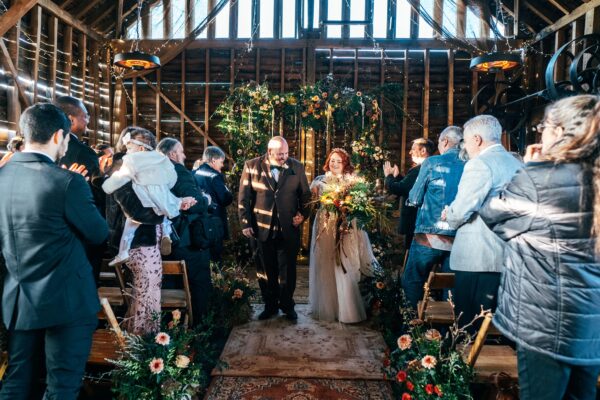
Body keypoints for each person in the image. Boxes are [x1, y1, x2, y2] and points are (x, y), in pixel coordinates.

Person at [479, 95, 600, 400]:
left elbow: (493, 213)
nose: (539, 133)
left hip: (546, 322)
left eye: (543, 126)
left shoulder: (540, 179)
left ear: (559, 133)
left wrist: (531, 170)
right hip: (592, 326)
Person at [0, 103, 108, 399]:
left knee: (16, 380)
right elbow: (99, 234)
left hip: (19, 298)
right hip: (66, 300)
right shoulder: (68, 182)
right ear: (60, 135)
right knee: (61, 386)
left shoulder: (2, 177)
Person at [441, 115, 522, 327]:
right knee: (495, 328)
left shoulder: (480, 164)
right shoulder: (517, 163)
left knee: (468, 327)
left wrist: (449, 214)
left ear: (477, 139)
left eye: (466, 141)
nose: (465, 147)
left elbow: (460, 211)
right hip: (509, 257)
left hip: (478, 258)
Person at [108, 128, 186, 334]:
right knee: (147, 293)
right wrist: (168, 209)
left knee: (149, 290)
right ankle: (145, 344)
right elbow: (136, 212)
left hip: (149, 241)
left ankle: (134, 340)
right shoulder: (123, 171)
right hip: (138, 242)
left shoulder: (142, 169)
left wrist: (172, 204)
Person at [238, 136, 311, 320]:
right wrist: (245, 222)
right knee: (266, 269)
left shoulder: (297, 166)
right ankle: (270, 306)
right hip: (261, 227)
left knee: (288, 270)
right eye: (280, 154)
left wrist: (302, 215)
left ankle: (287, 305)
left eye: (286, 153)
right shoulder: (252, 165)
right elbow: (244, 197)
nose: (283, 157)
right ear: (269, 152)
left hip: (288, 227)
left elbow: (306, 196)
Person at [102, 131, 195, 266]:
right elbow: (171, 177)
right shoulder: (160, 158)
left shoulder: (131, 160)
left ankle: (123, 252)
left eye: (129, 148)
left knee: (130, 226)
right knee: (164, 212)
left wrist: (107, 185)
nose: (127, 152)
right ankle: (166, 234)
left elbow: (121, 177)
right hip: (159, 194)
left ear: (140, 148)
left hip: (143, 196)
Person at [309, 148, 380, 323]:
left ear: (345, 164)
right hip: (325, 225)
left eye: (338, 161)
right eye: (332, 160)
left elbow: (358, 204)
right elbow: (313, 199)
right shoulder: (320, 181)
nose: (334, 164)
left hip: (347, 226)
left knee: (345, 263)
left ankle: (347, 310)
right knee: (326, 263)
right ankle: (329, 306)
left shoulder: (352, 183)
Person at [403, 126, 465, 308]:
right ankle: (446, 333)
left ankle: (411, 328)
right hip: (458, 239)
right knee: (449, 287)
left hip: (428, 236)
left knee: (413, 282)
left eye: (439, 142)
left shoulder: (432, 162)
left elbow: (414, 198)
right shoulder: (471, 164)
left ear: (445, 141)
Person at [158, 138, 212, 326]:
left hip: (164, 239)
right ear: (172, 154)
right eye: (181, 152)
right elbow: (195, 204)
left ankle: (170, 330)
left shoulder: (154, 173)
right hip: (187, 240)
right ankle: (198, 331)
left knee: (169, 286)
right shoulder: (179, 172)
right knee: (198, 286)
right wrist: (207, 200)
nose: (184, 155)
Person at [383, 138, 435, 250]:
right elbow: (410, 187)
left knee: (411, 250)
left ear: (423, 150)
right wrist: (398, 177)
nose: (410, 152)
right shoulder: (429, 167)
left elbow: (400, 189)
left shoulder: (418, 170)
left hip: (414, 219)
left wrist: (389, 176)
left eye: (413, 149)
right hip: (424, 220)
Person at [194, 146, 233, 265]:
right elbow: (225, 199)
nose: (222, 165)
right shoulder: (215, 176)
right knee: (215, 258)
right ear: (214, 160)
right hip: (213, 223)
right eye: (221, 162)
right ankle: (217, 282)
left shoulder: (194, 173)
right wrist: (228, 191)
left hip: (198, 222)